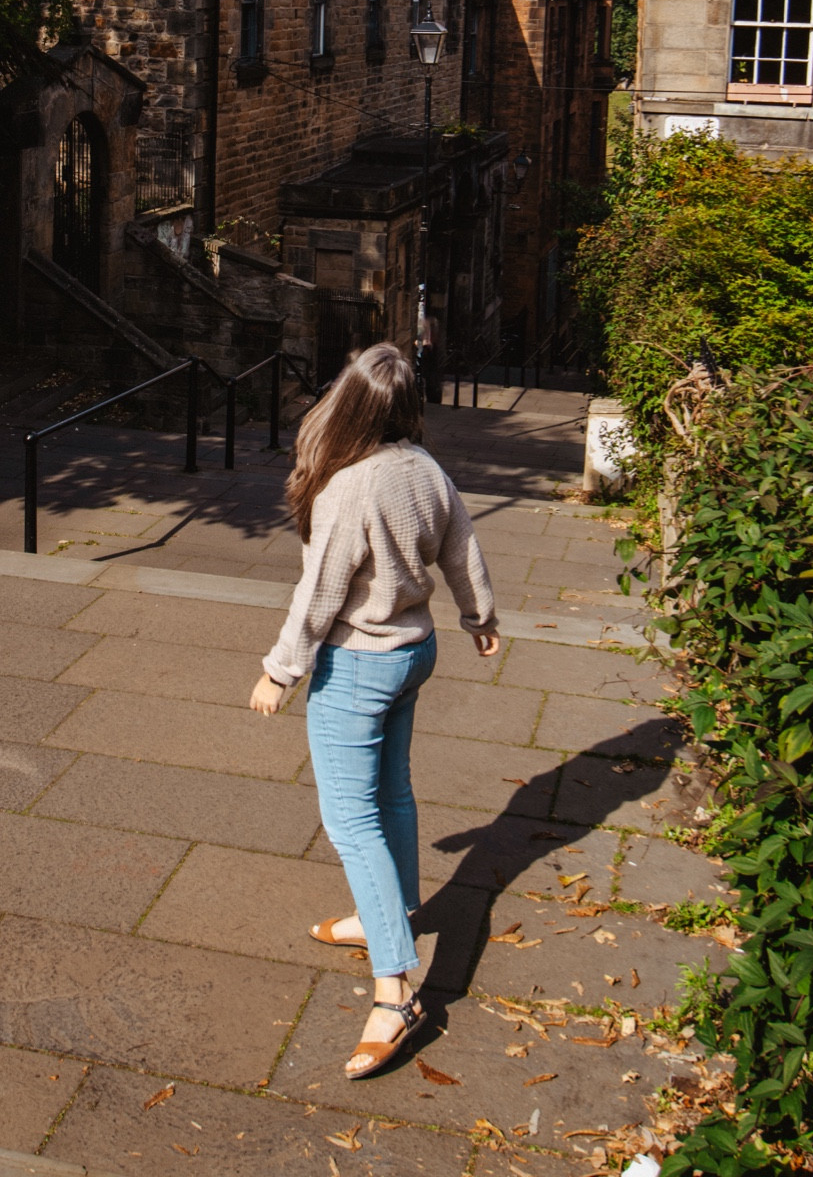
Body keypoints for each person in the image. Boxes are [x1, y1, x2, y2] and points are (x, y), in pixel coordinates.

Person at [249, 342, 498, 1079]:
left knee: (351, 820)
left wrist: (279, 671)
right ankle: (390, 912)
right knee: (393, 793)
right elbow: (464, 548)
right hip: (413, 655)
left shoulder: (351, 486)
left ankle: (396, 988)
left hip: (360, 666)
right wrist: (479, 615)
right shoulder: (427, 469)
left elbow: (320, 594)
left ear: (349, 404)